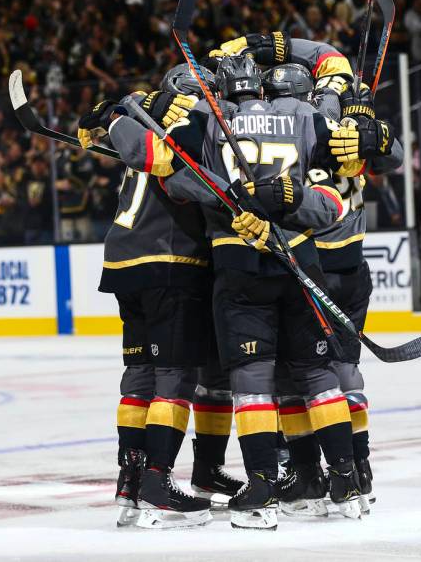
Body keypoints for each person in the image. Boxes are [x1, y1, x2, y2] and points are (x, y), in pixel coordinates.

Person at [105, 47, 395, 528]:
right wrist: (294, 196)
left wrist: (116, 117)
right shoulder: (309, 117)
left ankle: (259, 487)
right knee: (318, 374)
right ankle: (344, 480)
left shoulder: (207, 119)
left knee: (254, 381)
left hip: (233, 265)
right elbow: (335, 197)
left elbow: (167, 170)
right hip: (303, 257)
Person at [78, 65, 241, 529]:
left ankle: (129, 483)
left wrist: (113, 113)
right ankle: (156, 483)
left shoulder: (148, 120)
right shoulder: (195, 125)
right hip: (168, 261)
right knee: (174, 376)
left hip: (124, 259)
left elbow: (109, 123)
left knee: (140, 375)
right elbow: (183, 180)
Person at [262, 60, 403, 516]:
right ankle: (357, 469)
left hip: (309, 270)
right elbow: (391, 153)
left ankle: (309, 473)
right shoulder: (344, 128)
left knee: (296, 377)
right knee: (343, 371)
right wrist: (373, 127)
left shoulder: (291, 134)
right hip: (350, 267)